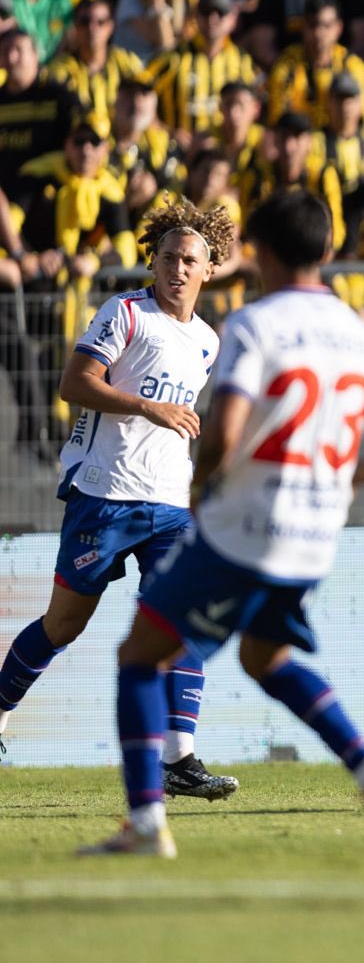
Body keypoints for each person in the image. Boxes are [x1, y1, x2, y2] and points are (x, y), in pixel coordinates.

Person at [78, 190, 364, 858]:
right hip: (316, 532)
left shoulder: (255, 325)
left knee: (138, 655)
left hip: (247, 524)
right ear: (325, 251)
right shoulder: (359, 330)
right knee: (266, 657)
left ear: (259, 252)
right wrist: (330, 481)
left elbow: (224, 432)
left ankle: (147, 824)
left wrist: (204, 488)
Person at [0, 200, 239, 802]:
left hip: (169, 503)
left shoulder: (207, 342)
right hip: (104, 498)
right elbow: (73, 384)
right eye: (169, 259)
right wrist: (145, 406)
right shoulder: (126, 312)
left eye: (191, 261)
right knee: (62, 624)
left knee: (181, 618)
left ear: (209, 270)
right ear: (153, 262)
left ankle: (179, 757)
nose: (178, 270)